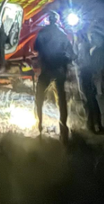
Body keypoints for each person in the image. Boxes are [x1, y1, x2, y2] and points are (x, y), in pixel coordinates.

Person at [34, 10, 72, 143]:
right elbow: (71, 53)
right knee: (61, 100)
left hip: (46, 70)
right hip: (59, 70)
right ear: (57, 20)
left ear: (48, 20)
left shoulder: (43, 33)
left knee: (39, 98)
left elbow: (36, 48)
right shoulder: (62, 34)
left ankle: (39, 126)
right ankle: (63, 130)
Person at [75, 35, 103, 133]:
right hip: (87, 73)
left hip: (84, 73)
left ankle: (91, 125)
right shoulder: (86, 45)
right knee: (91, 100)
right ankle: (96, 124)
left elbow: (78, 60)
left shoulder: (82, 46)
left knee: (87, 100)